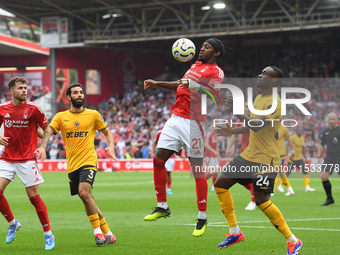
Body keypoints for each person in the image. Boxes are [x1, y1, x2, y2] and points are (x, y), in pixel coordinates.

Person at [213, 66, 302, 255]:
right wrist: (232, 131)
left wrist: (237, 111)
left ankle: (292, 240)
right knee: (220, 185)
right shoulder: (259, 99)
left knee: (262, 201)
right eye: (261, 73)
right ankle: (235, 232)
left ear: (275, 80)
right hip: (249, 155)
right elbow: (250, 127)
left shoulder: (276, 103)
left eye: (265, 74)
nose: (260, 76)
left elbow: (258, 125)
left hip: (266, 159)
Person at [143, 38, 225, 237]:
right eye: (202, 46)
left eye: (207, 47)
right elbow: (180, 85)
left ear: (216, 53)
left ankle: (202, 217)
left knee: (197, 170)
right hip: (175, 118)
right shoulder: (194, 65)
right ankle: (162, 206)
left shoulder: (216, 72)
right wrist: (157, 84)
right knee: (157, 160)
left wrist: (195, 85)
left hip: (193, 123)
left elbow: (215, 95)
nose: (201, 49)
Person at [35, 83, 117, 246]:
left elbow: (107, 132)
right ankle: (108, 232)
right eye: (76, 93)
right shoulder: (60, 117)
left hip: (89, 160)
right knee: (88, 198)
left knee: (84, 192)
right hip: (72, 164)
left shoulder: (93, 114)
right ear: (68, 97)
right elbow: (48, 132)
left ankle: (97, 234)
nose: (80, 95)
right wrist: (43, 145)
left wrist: (111, 146)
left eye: (81, 92)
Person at [0, 77, 55, 250]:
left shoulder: (33, 109)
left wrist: (43, 146)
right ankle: (13, 223)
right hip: (7, 158)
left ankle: (48, 234)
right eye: (20, 88)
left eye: (25, 87)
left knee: (34, 198)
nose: (24, 90)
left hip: (27, 158)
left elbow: (47, 129)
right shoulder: (2, 109)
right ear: (11, 91)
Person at [225, 103, 255, 210]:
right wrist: (229, 147)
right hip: (243, 153)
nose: (247, 109)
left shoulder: (257, 121)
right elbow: (235, 135)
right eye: (246, 106)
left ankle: (252, 202)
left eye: (250, 107)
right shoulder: (240, 121)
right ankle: (257, 191)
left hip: (255, 154)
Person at [317, 112, 340, 206]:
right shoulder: (325, 132)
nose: (331, 121)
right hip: (329, 158)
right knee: (323, 176)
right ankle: (330, 198)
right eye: (330, 119)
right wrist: (319, 156)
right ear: (328, 120)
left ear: (337, 120)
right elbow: (322, 144)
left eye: (333, 119)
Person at [287, 127, 316, 192]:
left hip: (299, 158)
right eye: (299, 130)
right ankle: (281, 185)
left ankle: (307, 187)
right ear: (296, 131)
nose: (300, 131)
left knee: (305, 170)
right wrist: (289, 154)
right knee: (287, 173)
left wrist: (305, 157)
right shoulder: (293, 137)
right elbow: (288, 146)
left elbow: (302, 148)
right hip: (292, 158)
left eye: (301, 130)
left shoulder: (303, 138)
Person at [274, 125, 295, 196]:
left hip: (280, 153)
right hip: (273, 153)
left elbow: (289, 139)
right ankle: (289, 189)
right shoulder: (270, 127)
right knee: (280, 172)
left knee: (278, 171)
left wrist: (292, 150)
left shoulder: (283, 129)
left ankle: (272, 190)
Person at [204, 123, 220, 192]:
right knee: (214, 171)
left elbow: (216, 147)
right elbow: (205, 144)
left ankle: (213, 186)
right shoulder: (208, 134)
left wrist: (218, 155)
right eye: (213, 126)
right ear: (210, 127)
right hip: (209, 155)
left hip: (215, 156)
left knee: (216, 171)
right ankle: (203, 181)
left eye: (215, 127)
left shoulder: (216, 135)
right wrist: (214, 151)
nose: (214, 128)